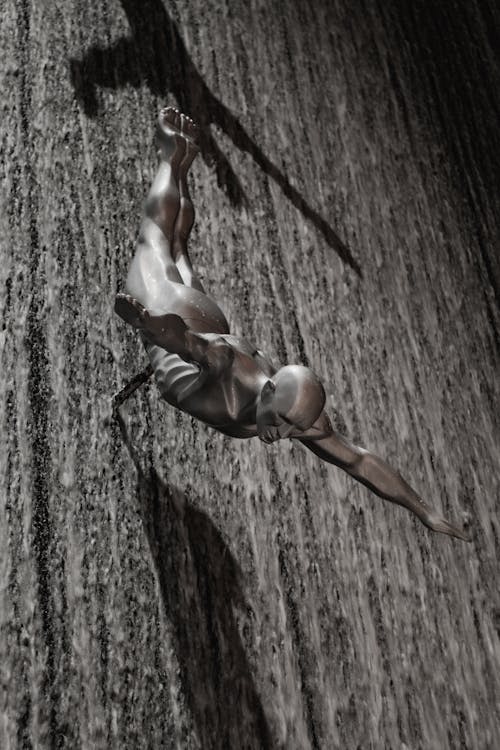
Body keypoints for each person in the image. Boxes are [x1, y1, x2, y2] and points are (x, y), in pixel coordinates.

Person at [115, 107, 469, 542]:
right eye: (281, 421)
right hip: (178, 316)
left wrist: (423, 510)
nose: (282, 435)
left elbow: (359, 460)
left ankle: (183, 166)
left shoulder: (297, 415)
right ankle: (171, 156)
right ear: (267, 390)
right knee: (155, 238)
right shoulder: (234, 368)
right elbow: (184, 340)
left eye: (291, 428)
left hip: (209, 317)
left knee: (177, 246)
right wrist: (145, 320)